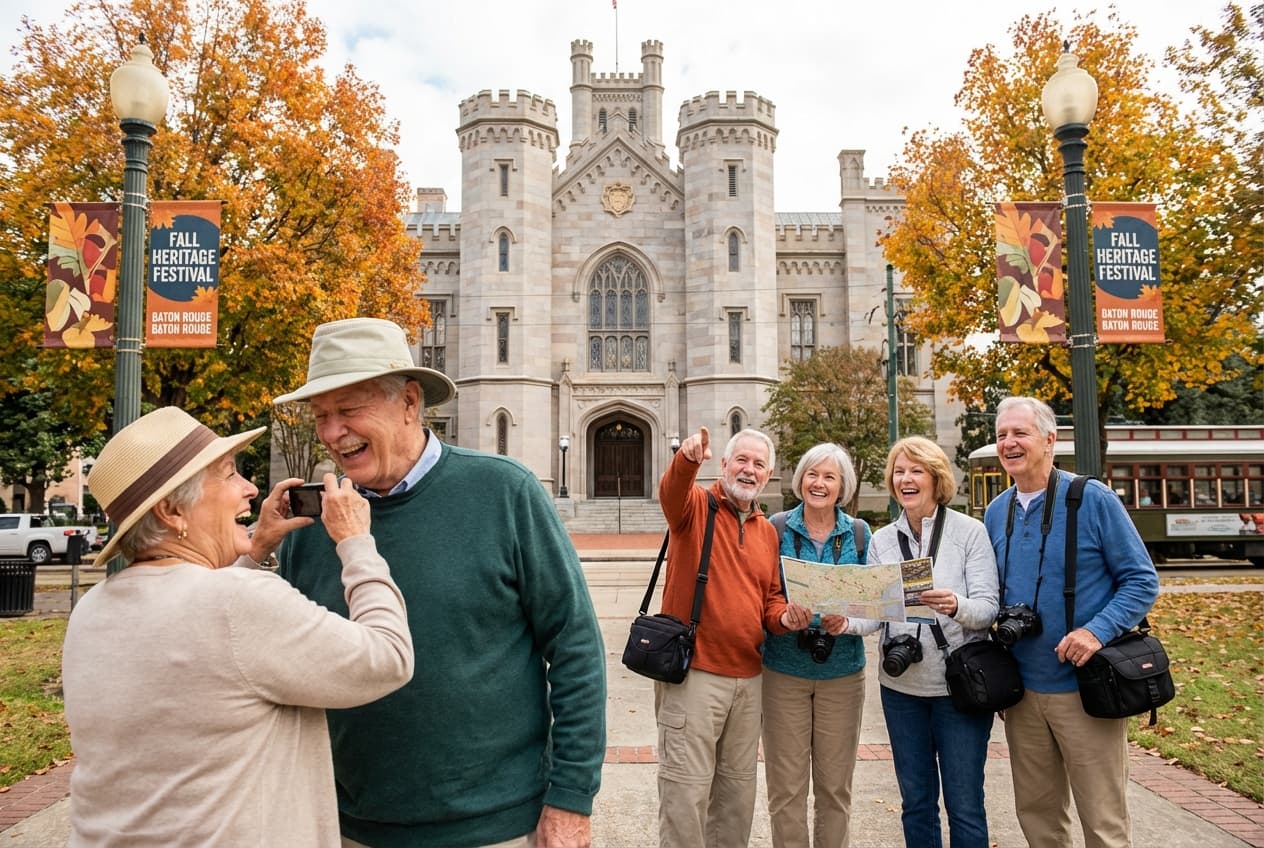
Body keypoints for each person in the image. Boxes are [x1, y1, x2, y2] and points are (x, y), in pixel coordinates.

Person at [248, 317, 606, 848]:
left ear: (411, 402)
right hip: (348, 827)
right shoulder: (311, 525)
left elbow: (575, 646)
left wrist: (571, 798)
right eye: (322, 415)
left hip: (496, 827)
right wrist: (257, 554)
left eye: (349, 410)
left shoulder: (505, 493)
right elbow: (269, 661)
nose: (330, 432)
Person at [62, 407, 414, 846]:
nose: (250, 490)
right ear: (173, 511)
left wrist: (254, 550)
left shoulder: (92, 609)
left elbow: (209, 646)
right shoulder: (234, 603)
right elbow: (388, 659)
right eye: (229, 475)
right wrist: (357, 543)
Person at [984, 397, 1159, 848]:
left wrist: (1095, 631)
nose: (1009, 443)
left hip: (1086, 690)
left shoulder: (1090, 498)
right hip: (1022, 693)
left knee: (1103, 822)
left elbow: (1141, 582)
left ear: (1049, 439)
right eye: (1002, 434)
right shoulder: (995, 510)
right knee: (1039, 820)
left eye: (1020, 433)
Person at [656, 425, 810, 848]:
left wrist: (786, 618)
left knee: (736, 797)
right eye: (741, 460)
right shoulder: (694, 508)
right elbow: (670, 492)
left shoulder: (767, 532)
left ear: (769, 474)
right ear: (723, 465)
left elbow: (771, 603)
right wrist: (687, 459)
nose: (749, 470)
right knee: (685, 794)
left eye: (759, 464)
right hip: (695, 675)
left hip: (748, 678)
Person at [868, 436, 999, 848]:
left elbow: (988, 609)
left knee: (964, 805)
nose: (905, 478)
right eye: (899, 471)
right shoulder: (881, 540)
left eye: (915, 470)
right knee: (916, 803)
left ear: (936, 478)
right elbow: (874, 614)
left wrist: (955, 604)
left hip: (957, 689)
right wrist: (841, 621)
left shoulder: (969, 533)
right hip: (901, 689)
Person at [761, 443, 870, 848]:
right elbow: (764, 595)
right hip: (783, 672)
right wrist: (783, 616)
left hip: (842, 674)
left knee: (834, 789)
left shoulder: (859, 533)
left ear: (842, 486)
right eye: (812, 474)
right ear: (800, 479)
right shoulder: (774, 528)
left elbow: (873, 603)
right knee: (786, 789)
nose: (819, 483)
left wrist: (851, 622)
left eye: (829, 477)